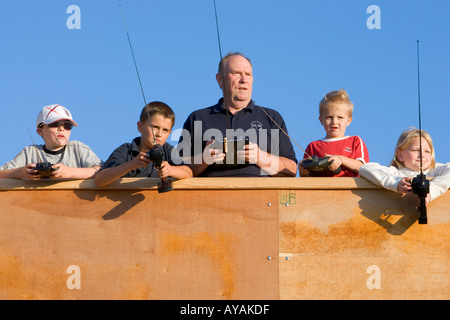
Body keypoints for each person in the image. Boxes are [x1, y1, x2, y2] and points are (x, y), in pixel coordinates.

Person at [177, 52, 297, 177]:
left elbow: (292, 169)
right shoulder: (197, 118)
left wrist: (260, 157)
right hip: (210, 195)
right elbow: (176, 167)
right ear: (220, 79)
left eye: (248, 75)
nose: (244, 80)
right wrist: (204, 159)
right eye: (237, 73)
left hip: (261, 195)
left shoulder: (272, 117)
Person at [95, 101, 192, 187]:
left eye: (165, 130)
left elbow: (188, 172)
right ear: (140, 127)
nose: (159, 134)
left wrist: (170, 170)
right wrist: (131, 165)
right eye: (154, 127)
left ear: (170, 133)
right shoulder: (126, 150)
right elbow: (100, 180)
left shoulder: (168, 150)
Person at [0, 104, 102, 179]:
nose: (61, 129)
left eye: (67, 126)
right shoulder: (30, 151)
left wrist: (69, 172)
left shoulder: (78, 148)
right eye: (55, 124)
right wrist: (22, 172)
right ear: (40, 131)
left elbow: (103, 171)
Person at [360, 127, 450, 205]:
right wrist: (396, 184)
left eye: (427, 151)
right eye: (415, 150)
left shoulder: (435, 170)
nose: (422, 155)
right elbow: (365, 168)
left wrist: (430, 191)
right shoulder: (395, 173)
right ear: (400, 155)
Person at [299, 89, 369, 177]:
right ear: (321, 120)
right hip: (321, 189)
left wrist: (341, 159)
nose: (334, 122)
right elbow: (305, 177)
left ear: (349, 121)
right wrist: (302, 170)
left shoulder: (355, 141)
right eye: (329, 117)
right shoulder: (313, 146)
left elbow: (363, 167)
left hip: (349, 189)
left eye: (340, 117)